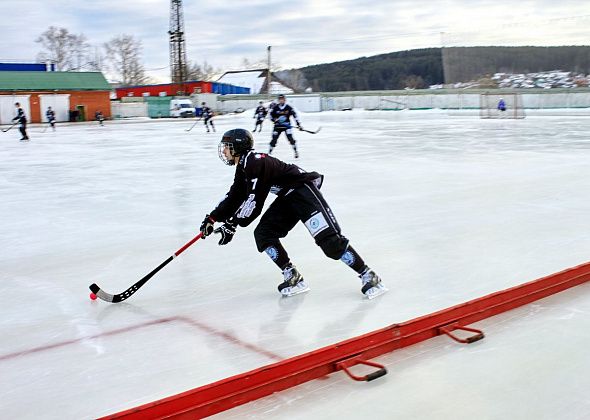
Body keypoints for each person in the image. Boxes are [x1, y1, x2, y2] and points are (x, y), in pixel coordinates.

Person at [199, 128, 387, 299]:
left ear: (238, 147)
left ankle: (369, 275)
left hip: (303, 190)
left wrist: (232, 224)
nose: (224, 151)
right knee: (264, 234)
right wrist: (212, 218)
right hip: (288, 196)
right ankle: (293, 276)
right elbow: (234, 196)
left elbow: (255, 200)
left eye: (227, 147)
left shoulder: (254, 162)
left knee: (329, 241)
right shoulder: (244, 167)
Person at [268, 94, 302, 158]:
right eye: (280, 100)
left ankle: (295, 151)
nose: (281, 101)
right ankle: (269, 152)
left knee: (290, 138)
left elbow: (295, 116)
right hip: (278, 126)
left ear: (285, 100)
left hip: (287, 126)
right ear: (278, 100)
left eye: (282, 99)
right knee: (274, 139)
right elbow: (270, 116)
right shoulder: (275, 107)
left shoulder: (288, 107)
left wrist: (298, 124)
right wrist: (274, 120)